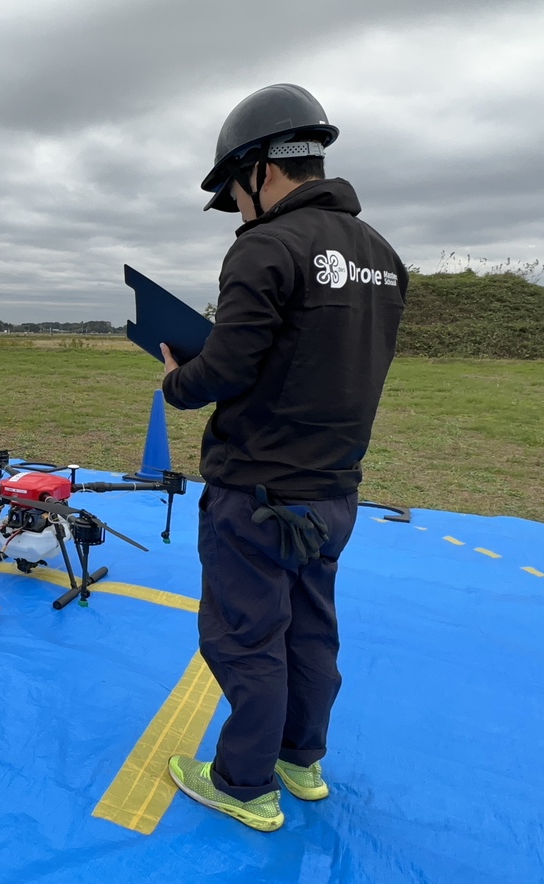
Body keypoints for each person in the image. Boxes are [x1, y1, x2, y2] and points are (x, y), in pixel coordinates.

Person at [160, 84, 407, 831]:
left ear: (260, 167)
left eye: (233, 194)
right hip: (332, 495)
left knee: (245, 637)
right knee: (310, 631)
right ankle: (301, 760)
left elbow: (225, 370)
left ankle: (242, 783)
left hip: (256, 493)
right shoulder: (384, 258)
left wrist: (177, 380)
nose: (236, 211)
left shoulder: (265, 247)